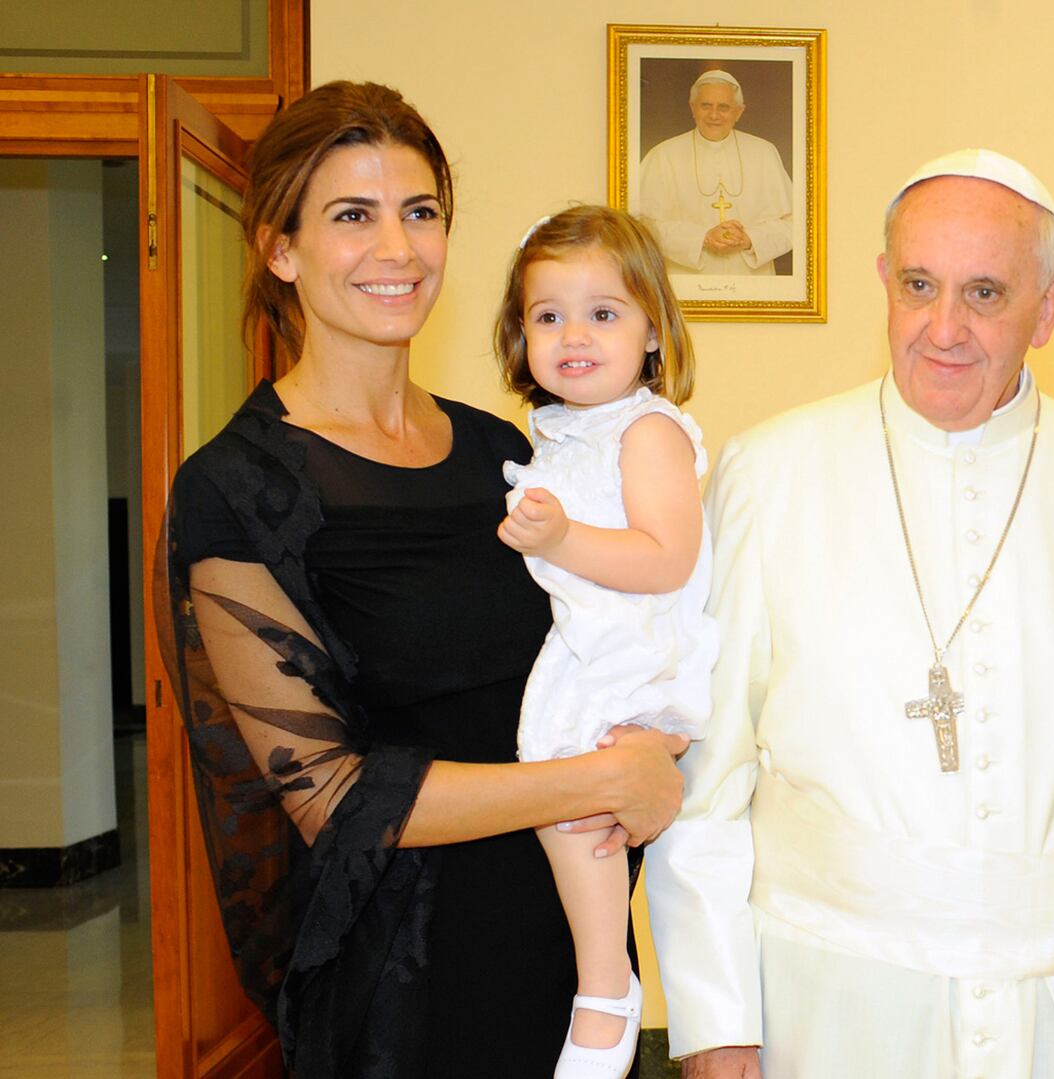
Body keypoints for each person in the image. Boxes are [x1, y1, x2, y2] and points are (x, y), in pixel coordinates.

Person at [641, 148, 1054, 1079]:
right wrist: (716, 1021)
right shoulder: (770, 473)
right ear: (884, 281)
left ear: (1051, 309)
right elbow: (708, 779)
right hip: (826, 1000)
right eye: (918, 285)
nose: (943, 328)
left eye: (987, 294)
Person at [157, 83, 688, 1077]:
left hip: (560, 943)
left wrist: (656, 740)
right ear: (280, 247)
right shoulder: (237, 489)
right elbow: (333, 793)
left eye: (421, 212)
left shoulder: (502, 447)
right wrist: (596, 779)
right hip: (401, 976)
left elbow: (610, 629)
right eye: (352, 216)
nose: (397, 250)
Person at [493, 205, 720, 1077]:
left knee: (574, 790)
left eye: (603, 312)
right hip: (592, 644)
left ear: (652, 328)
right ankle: (603, 972)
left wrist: (558, 540)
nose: (572, 334)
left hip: (637, 652)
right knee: (563, 794)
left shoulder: (648, 429)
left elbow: (667, 559)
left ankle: (606, 982)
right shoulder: (560, 430)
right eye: (548, 315)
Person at [633, 70, 794, 276]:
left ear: (739, 112)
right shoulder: (663, 155)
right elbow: (643, 226)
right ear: (693, 108)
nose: (714, 115)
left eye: (724, 107)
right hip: (684, 282)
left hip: (753, 283)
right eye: (705, 106)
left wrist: (749, 239)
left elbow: (794, 225)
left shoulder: (764, 152)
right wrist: (701, 238)